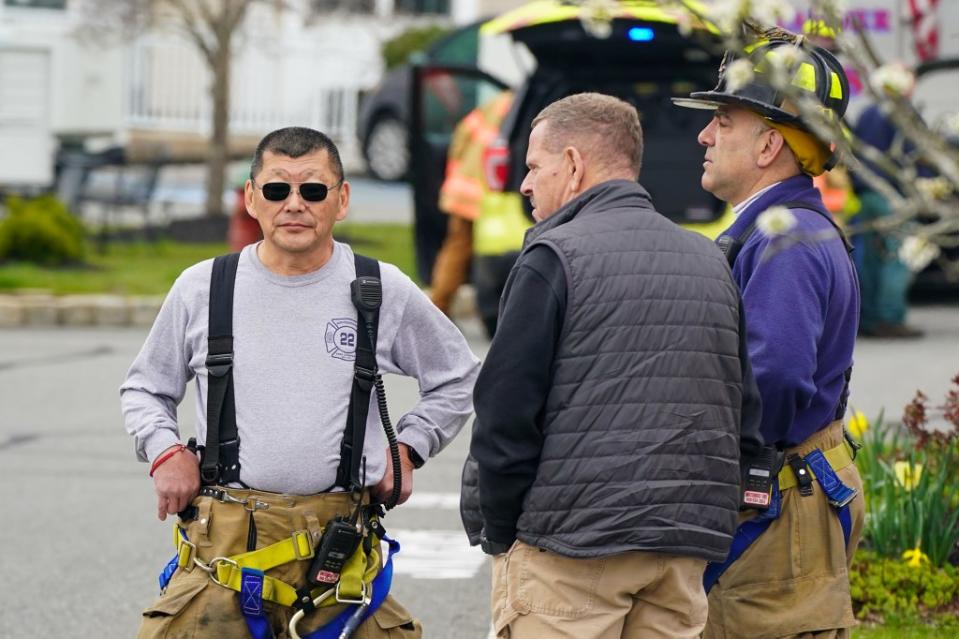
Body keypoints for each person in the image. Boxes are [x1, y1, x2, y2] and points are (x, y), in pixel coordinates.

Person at [121, 126, 479, 638]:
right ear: (251, 198)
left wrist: (410, 449)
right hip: (223, 555)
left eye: (313, 190)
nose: (294, 204)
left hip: (341, 560)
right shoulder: (202, 288)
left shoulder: (379, 289)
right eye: (276, 190)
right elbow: (144, 388)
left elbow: (459, 377)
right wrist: (163, 450)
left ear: (341, 199)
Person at [463, 92, 763, 639]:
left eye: (534, 167)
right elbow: (742, 410)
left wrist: (504, 533)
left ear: (574, 165)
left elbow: (505, 416)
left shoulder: (553, 257)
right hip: (681, 550)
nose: (524, 184)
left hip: (569, 549)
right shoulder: (710, 260)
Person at [674, 36, 866, 638]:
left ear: (770, 143)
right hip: (783, 495)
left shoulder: (786, 241)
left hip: (777, 504)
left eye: (722, 120)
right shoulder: (776, 231)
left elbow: (775, 378)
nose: (705, 136)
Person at [429, 90, 515, 333]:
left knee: (456, 248)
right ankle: (442, 308)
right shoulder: (523, 107)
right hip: (486, 195)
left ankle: (439, 307)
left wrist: (456, 170)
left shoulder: (498, 102)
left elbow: (462, 135)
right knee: (484, 251)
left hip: (462, 186)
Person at [852, 95, 924, 338]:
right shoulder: (904, 112)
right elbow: (916, 154)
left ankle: (868, 318)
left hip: (865, 193)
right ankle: (890, 318)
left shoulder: (866, 111)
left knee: (869, 258)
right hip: (894, 196)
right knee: (898, 257)